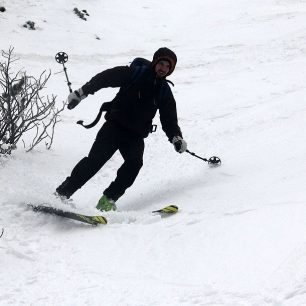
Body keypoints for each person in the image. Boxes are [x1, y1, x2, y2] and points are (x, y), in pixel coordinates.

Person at [55, 47, 187, 212]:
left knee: (134, 164)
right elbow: (104, 78)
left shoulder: (164, 91)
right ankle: (62, 193)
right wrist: (82, 92)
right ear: (155, 62)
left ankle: (108, 200)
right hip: (114, 127)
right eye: (161, 63)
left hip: (135, 135)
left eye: (168, 67)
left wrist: (176, 137)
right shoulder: (134, 73)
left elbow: (169, 119)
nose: (163, 68)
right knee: (94, 161)